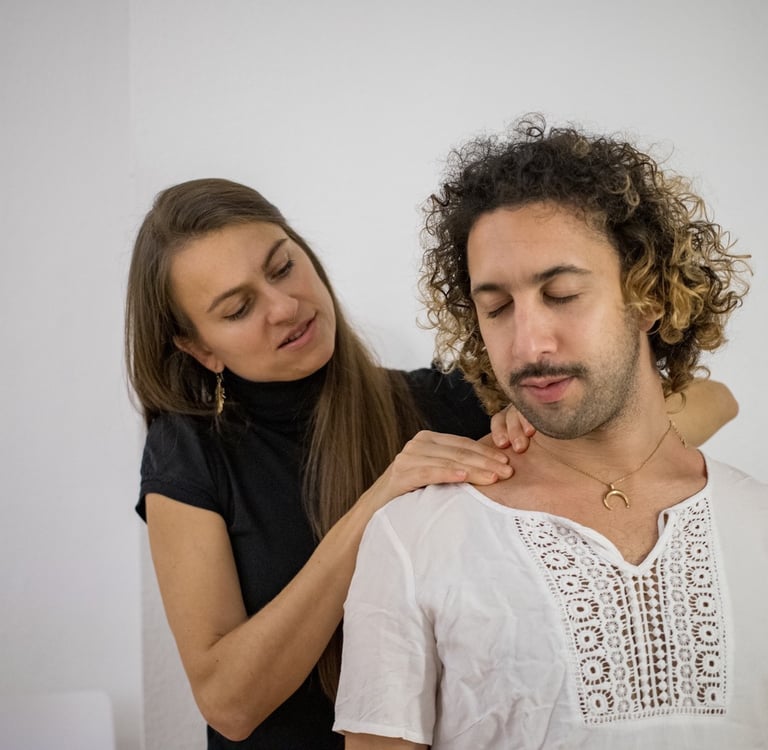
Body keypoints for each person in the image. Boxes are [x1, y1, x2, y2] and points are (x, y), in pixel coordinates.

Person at [125, 178, 735, 750]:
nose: (285, 307)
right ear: (198, 347)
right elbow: (230, 703)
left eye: (285, 267)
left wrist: (539, 442)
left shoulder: (439, 402)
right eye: (237, 308)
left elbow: (712, 399)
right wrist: (381, 500)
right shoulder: (188, 451)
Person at [333, 117, 766, 749]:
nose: (529, 344)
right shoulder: (412, 540)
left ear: (646, 295)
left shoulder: (755, 520)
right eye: (497, 308)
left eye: (561, 294)